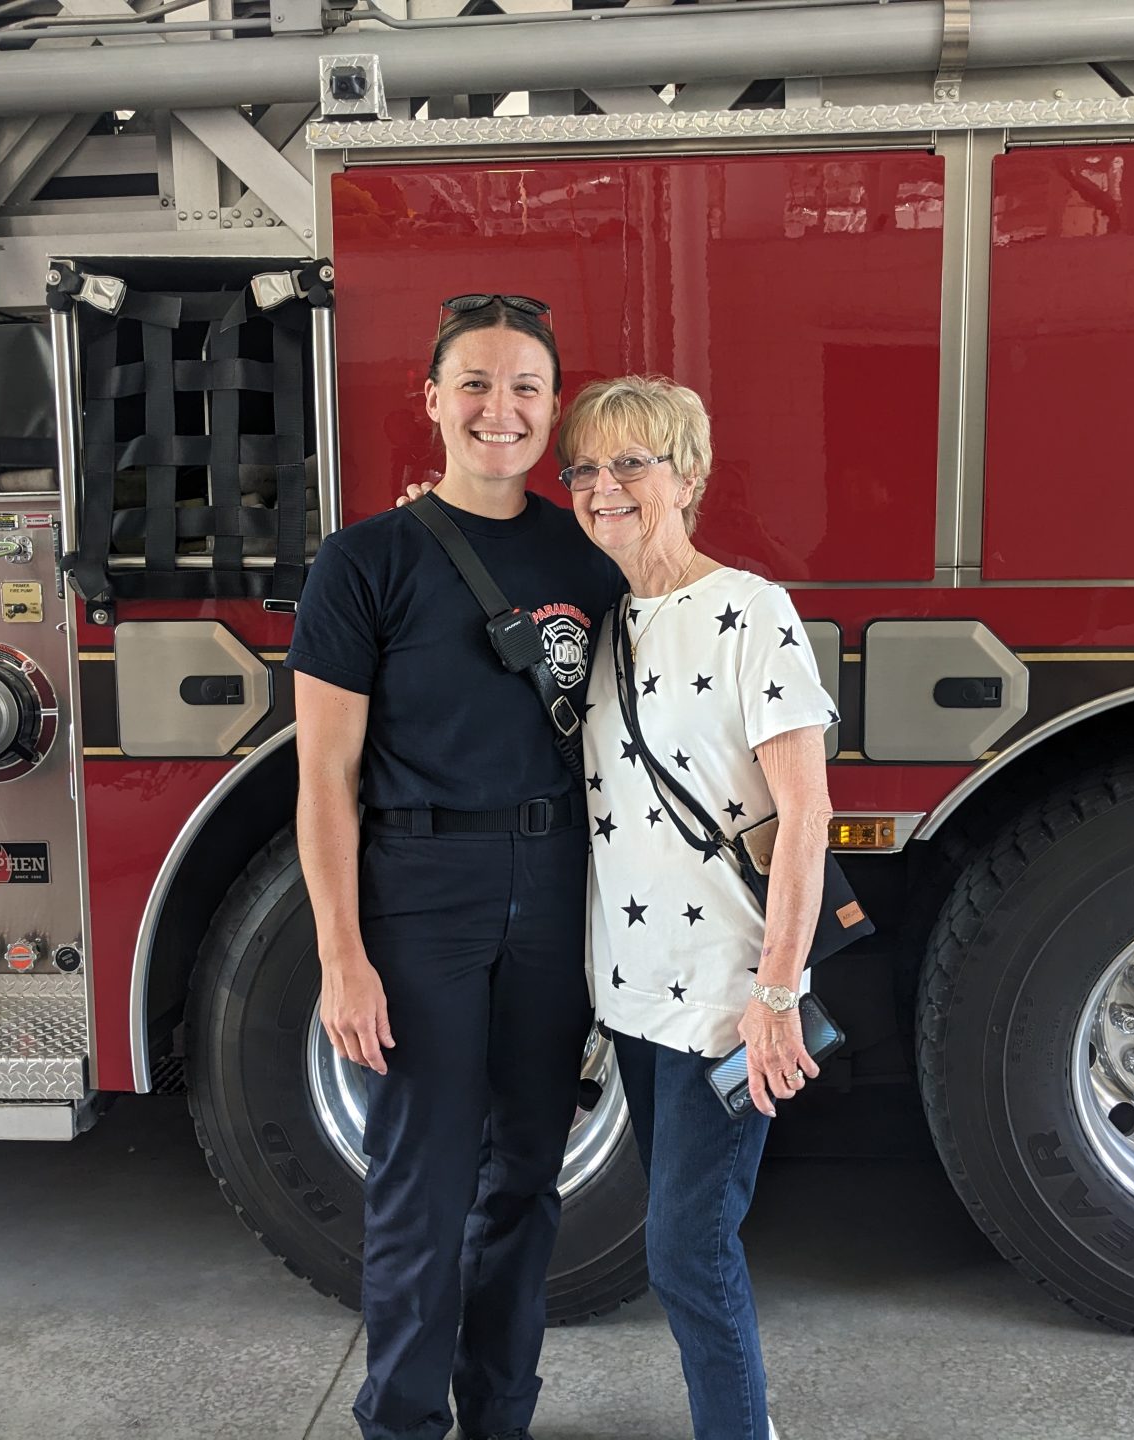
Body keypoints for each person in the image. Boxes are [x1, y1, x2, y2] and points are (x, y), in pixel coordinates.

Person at [287, 294, 624, 1440]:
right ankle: (400, 1424)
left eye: (525, 386)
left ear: (554, 408)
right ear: (431, 401)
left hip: (557, 888)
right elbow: (325, 777)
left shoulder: (593, 554)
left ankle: (500, 1418)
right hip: (421, 896)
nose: (500, 408)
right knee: (420, 1184)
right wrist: (342, 955)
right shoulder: (364, 561)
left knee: (528, 1175)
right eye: (474, 384)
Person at [565, 375, 836, 1440]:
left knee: (686, 1249)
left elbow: (805, 820)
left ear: (688, 474)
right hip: (631, 998)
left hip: (729, 1002)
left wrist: (776, 993)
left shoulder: (751, 612)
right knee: (683, 1237)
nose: (606, 486)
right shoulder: (599, 624)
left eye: (633, 462)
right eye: (585, 467)